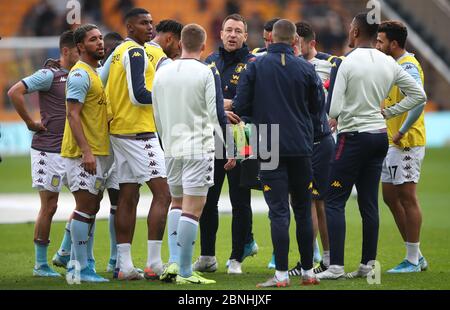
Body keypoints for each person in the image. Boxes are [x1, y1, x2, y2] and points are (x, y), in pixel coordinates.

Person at [316, 13, 427, 280]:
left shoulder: (346, 62)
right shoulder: (388, 62)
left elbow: (333, 109)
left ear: (354, 32)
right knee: (369, 203)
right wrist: (389, 113)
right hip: (379, 137)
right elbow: (419, 95)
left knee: (333, 200)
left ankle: (336, 267)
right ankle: (367, 265)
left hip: (353, 137)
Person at [233, 19, 323, 287]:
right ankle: (308, 273)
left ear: (269, 38)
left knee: (279, 211)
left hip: (268, 143)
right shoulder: (307, 69)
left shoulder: (256, 66)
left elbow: (240, 105)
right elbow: (318, 107)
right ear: (295, 40)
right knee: (303, 210)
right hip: (301, 146)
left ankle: (281, 275)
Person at [153, 23, 235, 284]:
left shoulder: (161, 72)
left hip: (171, 148)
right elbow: (215, 115)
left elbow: (155, 113)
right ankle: (186, 272)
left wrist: (165, 142)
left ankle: (174, 263)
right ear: (203, 45)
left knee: (176, 204)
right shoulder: (206, 72)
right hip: (198, 148)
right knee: (193, 209)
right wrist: (230, 148)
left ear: (179, 43)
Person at [7, 30, 79, 278]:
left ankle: (64, 251)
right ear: (67, 51)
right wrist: (29, 122)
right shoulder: (49, 75)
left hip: (75, 150)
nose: (84, 54)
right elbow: (15, 91)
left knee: (87, 202)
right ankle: (40, 264)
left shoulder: (82, 75)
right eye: (79, 50)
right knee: (49, 206)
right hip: (49, 151)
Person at [107, 8, 171, 281]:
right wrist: (167, 97)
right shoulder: (135, 52)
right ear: (129, 27)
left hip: (119, 132)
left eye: (151, 22)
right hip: (138, 133)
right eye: (143, 23)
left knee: (128, 196)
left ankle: (124, 265)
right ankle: (154, 263)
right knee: (164, 193)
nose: (150, 27)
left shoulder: (119, 51)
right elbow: (138, 95)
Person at [194, 14, 258, 275]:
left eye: (238, 31)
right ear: (220, 33)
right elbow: (200, 99)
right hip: (213, 135)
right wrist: (223, 105)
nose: (232, 35)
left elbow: (254, 100)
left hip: (243, 135)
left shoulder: (254, 63)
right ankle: (207, 256)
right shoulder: (209, 62)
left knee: (240, 200)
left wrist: (224, 104)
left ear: (245, 36)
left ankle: (236, 259)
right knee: (208, 199)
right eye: (228, 30)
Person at [376, 21, 428, 273]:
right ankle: (416, 254)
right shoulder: (394, 65)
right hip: (391, 142)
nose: (377, 44)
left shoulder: (408, 66)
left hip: (406, 142)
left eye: (380, 41)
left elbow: (419, 99)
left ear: (393, 44)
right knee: (389, 197)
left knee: (407, 197)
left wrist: (402, 130)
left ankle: (413, 259)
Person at [61, 24, 110, 283]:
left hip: (98, 151)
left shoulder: (94, 73)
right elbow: (72, 114)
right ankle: (78, 269)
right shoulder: (80, 75)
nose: (100, 43)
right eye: (93, 40)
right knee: (84, 207)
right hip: (83, 154)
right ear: (80, 47)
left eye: (101, 38)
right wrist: (86, 151)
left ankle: (83, 263)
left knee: (91, 208)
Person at [287, 22, 335, 276]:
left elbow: (339, 96)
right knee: (303, 202)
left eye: (297, 42)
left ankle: (327, 260)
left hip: (319, 142)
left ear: (310, 43)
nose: (293, 46)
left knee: (320, 202)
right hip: (300, 143)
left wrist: (336, 114)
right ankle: (312, 259)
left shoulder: (331, 65)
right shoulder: (290, 66)